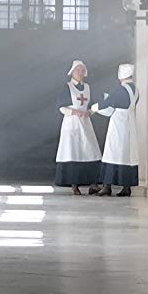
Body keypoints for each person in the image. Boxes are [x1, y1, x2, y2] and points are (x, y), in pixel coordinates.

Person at [91, 64, 140, 196]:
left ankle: (107, 186)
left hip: (119, 122)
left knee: (112, 152)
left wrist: (93, 108)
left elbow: (109, 102)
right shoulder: (135, 89)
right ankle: (126, 187)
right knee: (127, 155)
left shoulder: (122, 89)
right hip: (130, 121)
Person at [54, 60, 102, 194]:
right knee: (73, 152)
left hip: (85, 123)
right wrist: (75, 112)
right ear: (72, 72)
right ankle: (74, 185)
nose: (80, 73)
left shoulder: (88, 87)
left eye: (82, 70)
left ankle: (93, 183)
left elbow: (93, 104)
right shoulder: (67, 87)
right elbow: (61, 107)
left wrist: (89, 112)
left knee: (91, 151)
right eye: (77, 70)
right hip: (72, 124)